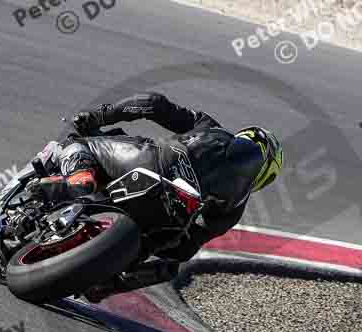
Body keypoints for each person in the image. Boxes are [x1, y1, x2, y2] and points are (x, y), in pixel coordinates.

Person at [29, 91, 283, 263]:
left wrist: (100, 115)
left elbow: (152, 103)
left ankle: (79, 179)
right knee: (160, 254)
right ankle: (115, 273)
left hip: (146, 162)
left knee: (79, 143)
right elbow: (185, 250)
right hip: (167, 220)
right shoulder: (234, 207)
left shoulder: (212, 129)